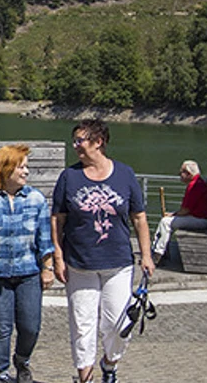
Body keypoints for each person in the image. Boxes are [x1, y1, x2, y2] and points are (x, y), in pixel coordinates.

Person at [51, 119, 155, 383]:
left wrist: (146, 255)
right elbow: (57, 219)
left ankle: (110, 364)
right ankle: (84, 377)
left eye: (80, 141)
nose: (76, 146)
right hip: (79, 264)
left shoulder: (125, 174)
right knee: (82, 325)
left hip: (118, 264)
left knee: (119, 325)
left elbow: (139, 218)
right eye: (74, 141)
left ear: (99, 142)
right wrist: (58, 257)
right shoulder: (69, 177)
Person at [0, 144, 55, 383]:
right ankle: (1, 373)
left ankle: (22, 360)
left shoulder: (36, 199)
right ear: (5, 170)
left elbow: (44, 238)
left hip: (29, 275)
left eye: (26, 167)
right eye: (21, 167)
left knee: (30, 327)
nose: (26, 172)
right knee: (1, 328)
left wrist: (48, 269)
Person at [152, 160, 207, 265]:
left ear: (188, 174)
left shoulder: (194, 186)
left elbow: (185, 210)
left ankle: (158, 254)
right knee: (166, 222)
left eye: (181, 172)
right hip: (201, 218)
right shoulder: (199, 183)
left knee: (165, 222)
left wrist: (172, 214)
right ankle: (160, 250)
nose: (180, 175)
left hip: (200, 220)